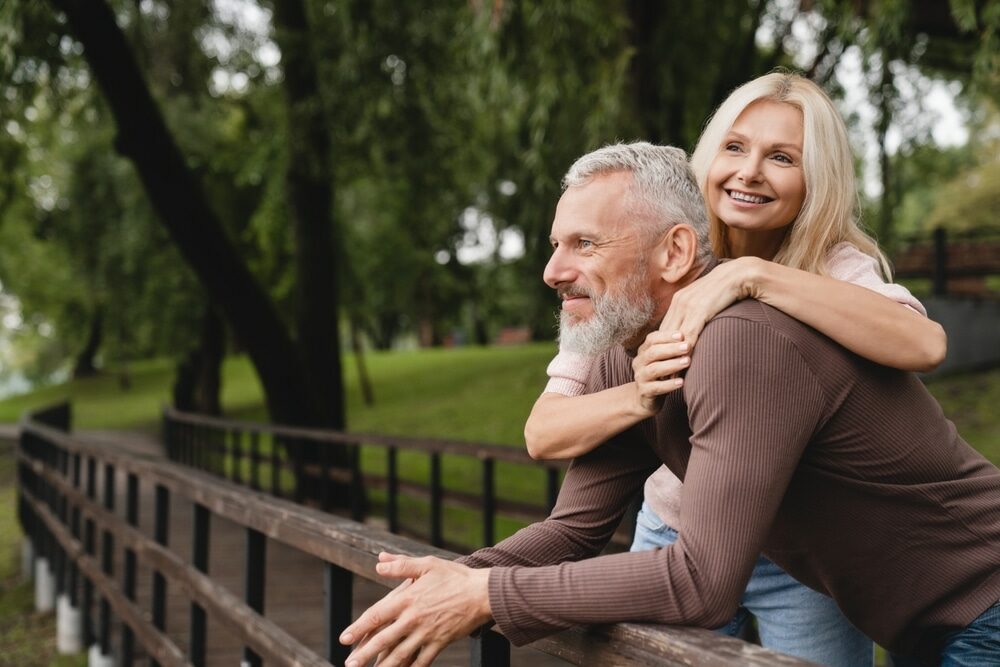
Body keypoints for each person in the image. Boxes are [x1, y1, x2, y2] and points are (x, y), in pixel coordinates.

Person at [339, 143, 1000, 667]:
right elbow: (574, 528)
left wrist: (486, 595)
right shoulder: (621, 350)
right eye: (554, 244)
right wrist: (456, 578)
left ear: (676, 251)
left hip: (985, 600)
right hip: (923, 619)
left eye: (585, 244)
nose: (552, 270)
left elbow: (701, 581)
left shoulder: (742, 343)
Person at [521, 72, 946, 665]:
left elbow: (922, 346)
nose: (750, 171)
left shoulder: (833, 269)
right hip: (675, 530)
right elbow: (545, 432)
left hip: (800, 553)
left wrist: (755, 276)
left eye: (781, 157)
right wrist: (638, 394)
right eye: (735, 147)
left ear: (816, 179)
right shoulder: (639, 274)